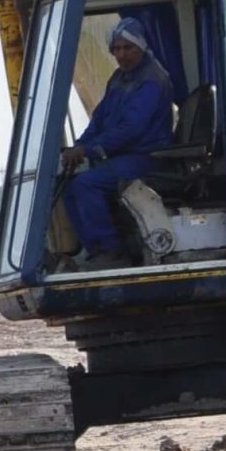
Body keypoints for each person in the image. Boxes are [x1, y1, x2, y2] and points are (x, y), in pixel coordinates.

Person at [57, 21, 175, 267]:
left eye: (127, 48)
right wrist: (78, 147)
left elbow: (132, 129)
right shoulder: (119, 79)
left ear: (140, 47)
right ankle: (93, 250)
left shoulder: (152, 80)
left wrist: (89, 150)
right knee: (68, 185)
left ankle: (111, 251)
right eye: (117, 49)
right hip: (121, 156)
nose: (121, 54)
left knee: (87, 185)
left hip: (146, 156)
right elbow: (98, 119)